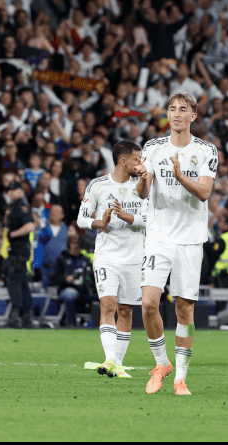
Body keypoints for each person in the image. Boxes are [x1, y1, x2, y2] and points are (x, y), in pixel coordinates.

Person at [134, 92, 218, 396]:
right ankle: (161, 364)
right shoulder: (153, 147)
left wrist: (180, 176)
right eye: (172, 109)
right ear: (167, 115)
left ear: (193, 116)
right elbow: (143, 193)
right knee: (147, 304)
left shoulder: (206, 150)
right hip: (158, 236)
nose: (177, 113)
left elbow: (205, 192)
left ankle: (180, 377)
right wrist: (143, 177)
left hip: (190, 240)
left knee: (184, 309)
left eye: (183, 109)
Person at [77, 140, 146, 379]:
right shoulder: (98, 185)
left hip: (135, 256)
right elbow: (81, 218)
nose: (141, 163)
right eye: (137, 159)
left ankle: (117, 362)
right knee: (107, 305)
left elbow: (149, 219)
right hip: (107, 255)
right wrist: (100, 222)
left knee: (126, 310)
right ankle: (109, 359)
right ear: (123, 160)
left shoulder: (142, 186)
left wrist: (125, 217)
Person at [3, 181, 36, 328]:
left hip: (19, 250)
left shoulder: (22, 206)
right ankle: (26, 316)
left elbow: (30, 226)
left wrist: (13, 234)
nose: (10, 192)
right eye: (8, 190)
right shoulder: (15, 206)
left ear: (20, 191)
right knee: (22, 283)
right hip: (18, 250)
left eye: (13, 190)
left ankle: (16, 315)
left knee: (14, 282)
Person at [52, 236, 94, 328]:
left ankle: (99, 324)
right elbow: (54, 278)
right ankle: (70, 323)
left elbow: (91, 276)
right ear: (69, 245)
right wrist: (66, 279)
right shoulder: (61, 259)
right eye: (74, 243)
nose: (76, 246)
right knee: (70, 294)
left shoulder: (85, 260)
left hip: (84, 289)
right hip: (67, 288)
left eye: (78, 244)